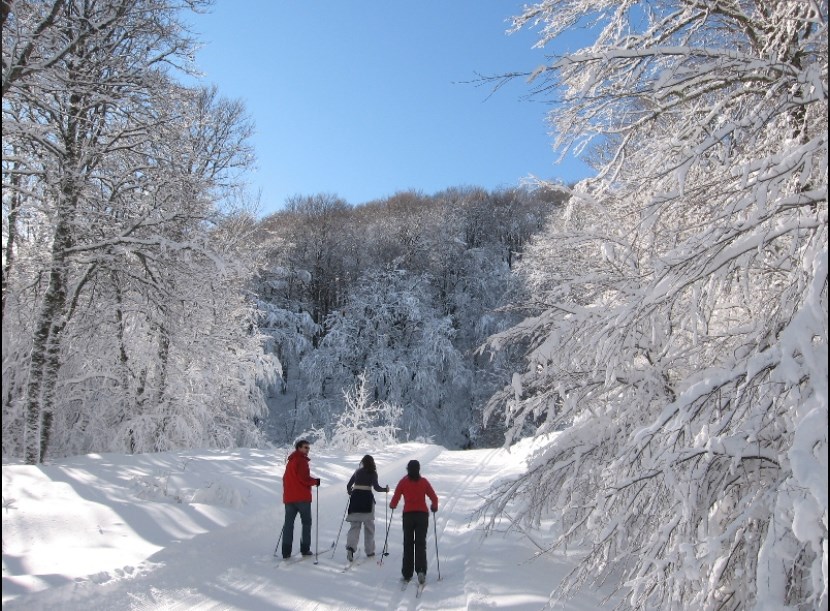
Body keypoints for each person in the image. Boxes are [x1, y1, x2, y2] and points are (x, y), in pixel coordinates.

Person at [389, 459, 438, 585]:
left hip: (408, 516)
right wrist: (434, 506)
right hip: (422, 515)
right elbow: (434, 497)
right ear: (418, 469)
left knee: (408, 544)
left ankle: (407, 574)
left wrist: (393, 505)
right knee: (421, 543)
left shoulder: (403, 482)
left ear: (407, 469)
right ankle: (421, 570)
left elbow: (396, 497)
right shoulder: (423, 482)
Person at [344, 455, 389, 562]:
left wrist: (351, 492)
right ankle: (369, 551)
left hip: (355, 500)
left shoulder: (357, 472)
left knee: (354, 526)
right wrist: (385, 489)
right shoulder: (373, 473)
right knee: (369, 527)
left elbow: (348, 485)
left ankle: (350, 548)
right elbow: (376, 488)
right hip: (367, 501)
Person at [281, 439, 321, 559]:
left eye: (308, 448)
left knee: (288, 524)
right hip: (302, 498)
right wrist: (315, 481)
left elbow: (285, 479)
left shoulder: (290, 461)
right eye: (305, 447)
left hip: (289, 499)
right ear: (298, 448)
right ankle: (305, 549)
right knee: (306, 523)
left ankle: (286, 551)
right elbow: (304, 478)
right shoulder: (301, 461)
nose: (307, 450)